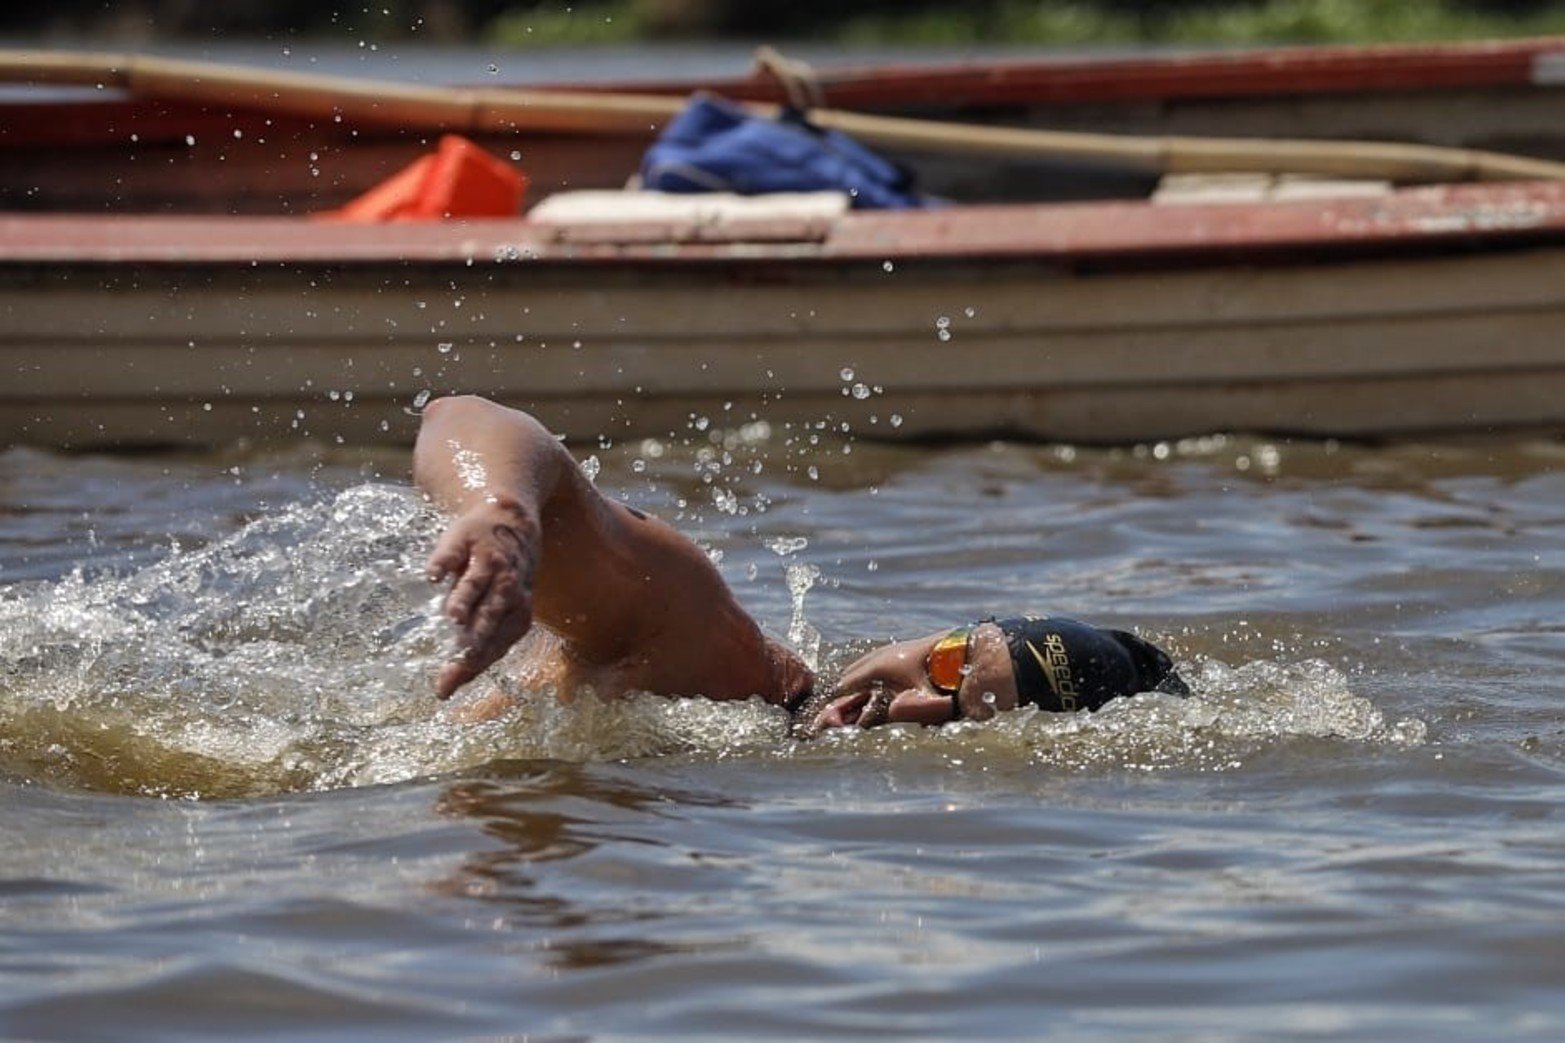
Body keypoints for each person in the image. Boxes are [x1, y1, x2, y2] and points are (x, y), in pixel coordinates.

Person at [414, 395, 1186, 734]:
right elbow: (466, 416)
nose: (913, 704)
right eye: (946, 665)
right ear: (935, 633)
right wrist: (506, 516)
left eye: (961, 720)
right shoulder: (714, 657)